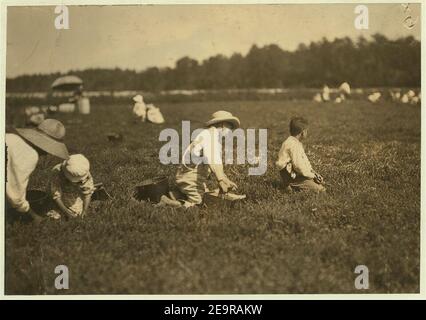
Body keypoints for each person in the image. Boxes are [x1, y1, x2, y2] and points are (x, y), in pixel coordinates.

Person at [159, 110, 240, 208]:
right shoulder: (210, 136)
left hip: (191, 175)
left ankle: (175, 195)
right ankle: (169, 203)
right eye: (230, 127)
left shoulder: (209, 135)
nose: (230, 131)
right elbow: (213, 158)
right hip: (191, 177)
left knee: (205, 194)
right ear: (223, 125)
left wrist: (225, 178)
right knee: (199, 203)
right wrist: (221, 179)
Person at [5, 119, 69, 223]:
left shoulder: (13, 139)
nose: (48, 153)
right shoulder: (30, 154)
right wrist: (34, 217)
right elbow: (15, 196)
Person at [276, 117, 325, 193]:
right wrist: (312, 176)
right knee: (321, 190)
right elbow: (299, 166)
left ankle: (293, 186)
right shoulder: (293, 145)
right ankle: (291, 186)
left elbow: (305, 161)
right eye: (306, 131)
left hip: (295, 173)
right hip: (292, 177)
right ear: (302, 132)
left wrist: (314, 173)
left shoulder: (294, 142)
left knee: (320, 182)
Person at [47, 154, 95, 219]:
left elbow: (87, 192)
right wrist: (67, 213)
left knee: (78, 211)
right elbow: (56, 196)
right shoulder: (56, 172)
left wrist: (85, 211)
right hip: (60, 191)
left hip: (74, 192)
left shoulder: (83, 172)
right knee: (54, 213)